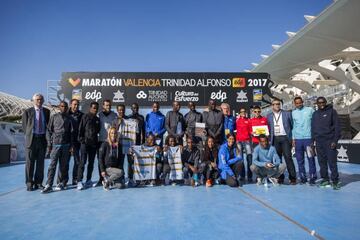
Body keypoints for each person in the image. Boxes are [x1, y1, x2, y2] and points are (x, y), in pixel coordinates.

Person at [42, 101, 73, 193]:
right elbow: (48, 130)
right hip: (55, 145)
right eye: (62, 106)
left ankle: (61, 183)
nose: (64, 108)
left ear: (67, 108)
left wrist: (71, 146)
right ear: (59, 107)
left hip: (66, 146)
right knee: (52, 165)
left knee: (63, 166)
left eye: (65, 106)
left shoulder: (69, 119)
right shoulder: (54, 117)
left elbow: (71, 133)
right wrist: (49, 143)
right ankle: (49, 184)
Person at [311, 97, 341, 190]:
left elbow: (337, 127)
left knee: (332, 162)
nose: (321, 104)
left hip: (329, 141)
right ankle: (325, 179)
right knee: (322, 162)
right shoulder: (315, 114)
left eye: (323, 102)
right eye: (319, 103)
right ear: (317, 104)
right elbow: (313, 128)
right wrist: (312, 141)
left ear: (325, 102)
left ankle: (335, 181)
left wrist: (334, 141)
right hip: (319, 142)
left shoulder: (332, 112)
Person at [22, 93, 50, 191]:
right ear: (33, 100)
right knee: (30, 163)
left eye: (41, 99)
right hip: (32, 140)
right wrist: (30, 136)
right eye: (37, 99)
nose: (39, 101)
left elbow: (47, 126)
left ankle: (38, 183)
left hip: (42, 139)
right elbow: (25, 127)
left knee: (40, 163)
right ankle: (29, 183)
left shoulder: (47, 111)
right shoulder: (27, 111)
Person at [267, 98, 297, 185]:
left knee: (288, 157)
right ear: (272, 106)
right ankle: (280, 177)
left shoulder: (287, 113)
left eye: (278, 104)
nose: (277, 105)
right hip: (275, 139)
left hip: (285, 138)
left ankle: (292, 177)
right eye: (275, 104)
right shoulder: (269, 116)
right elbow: (268, 128)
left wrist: (293, 138)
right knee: (277, 159)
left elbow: (292, 126)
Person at [292, 97, 317, 185]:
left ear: (303, 102)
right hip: (298, 140)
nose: (298, 104)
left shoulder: (310, 110)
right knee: (299, 160)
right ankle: (303, 177)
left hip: (308, 139)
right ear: (294, 104)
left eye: (300, 103)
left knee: (311, 158)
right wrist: (293, 138)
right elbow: (293, 127)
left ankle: (313, 177)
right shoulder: (293, 113)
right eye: (297, 103)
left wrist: (314, 137)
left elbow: (315, 123)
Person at [94, 99, 117, 187]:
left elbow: (116, 127)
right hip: (101, 141)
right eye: (106, 105)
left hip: (110, 142)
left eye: (109, 105)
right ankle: (101, 179)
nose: (108, 107)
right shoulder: (99, 115)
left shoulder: (114, 115)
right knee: (101, 160)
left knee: (110, 160)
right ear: (103, 106)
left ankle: (111, 178)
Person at [77, 102, 100, 190]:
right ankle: (79, 181)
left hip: (93, 145)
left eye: (96, 108)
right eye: (94, 108)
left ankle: (88, 180)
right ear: (90, 108)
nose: (95, 109)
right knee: (82, 162)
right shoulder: (85, 117)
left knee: (91, 163)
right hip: (85, 144)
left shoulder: (97, 119)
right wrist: (82, 140)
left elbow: (97, 131)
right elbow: (80, 130)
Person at [113, 104, 138, 187]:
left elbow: (136, 130)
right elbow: (113, 132)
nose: (121, 111)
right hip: (120, 144)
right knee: (121, 162)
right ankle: (122, 178)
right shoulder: (115, 120)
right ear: (117, 110)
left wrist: (135, 123)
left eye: (123, 110)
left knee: (130, 162)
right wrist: (118, 125)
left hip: (130, 145)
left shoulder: (130, 119)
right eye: (119, 110)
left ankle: (130, 178)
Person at [60, 99, 83, 186]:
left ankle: (75, 179)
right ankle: (64, 181)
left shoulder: (81, 115)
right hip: (66, 142)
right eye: (74, 104)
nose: (75, 106)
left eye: (77, 105)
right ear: (70, 105)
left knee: (77, 162)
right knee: (65, 162)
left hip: (77, 142)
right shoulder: (66, 115)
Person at [236, 107, 253, 183]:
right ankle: (242, 176)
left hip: (247, 141)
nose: (243, 113)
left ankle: (250, 176)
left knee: (249, 158)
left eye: (244, 111)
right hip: (239, 141)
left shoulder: (248, 120)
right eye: (241, 111)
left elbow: (251, 131)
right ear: (239, 113)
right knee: (240, 159)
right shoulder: (237, 120)